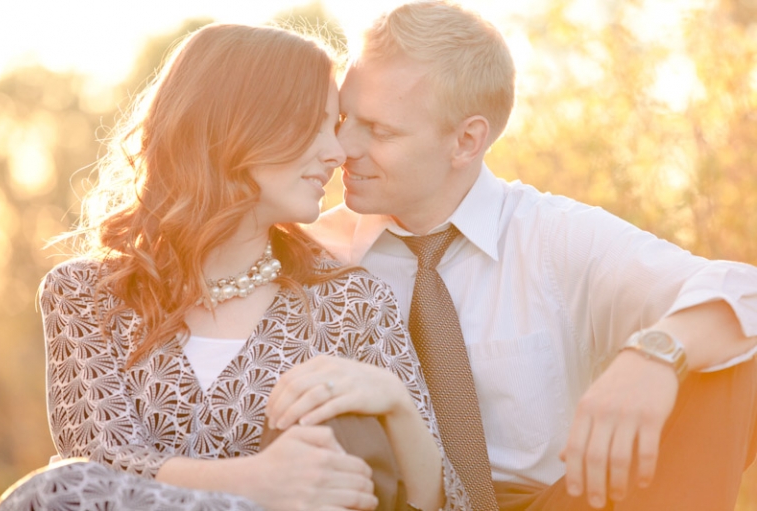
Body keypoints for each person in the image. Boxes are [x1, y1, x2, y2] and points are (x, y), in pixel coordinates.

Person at [0, 23, 470, 511]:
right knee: (52, 489)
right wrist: (257, 483)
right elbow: (99, 464)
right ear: (238, 126)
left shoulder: (352, 300)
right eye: (317, 125)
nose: (338, 151)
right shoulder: (82, 293)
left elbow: (444, 502)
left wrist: (393, 399)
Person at [307, 2, 757, 510]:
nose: (342, 146)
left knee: (737, 358)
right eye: (345, 119)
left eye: (380, 131)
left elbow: (744, 291)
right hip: (384, 502)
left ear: (466, 140)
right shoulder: (313, 250)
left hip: (552, 502)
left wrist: (655, 353)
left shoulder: (555, 236)